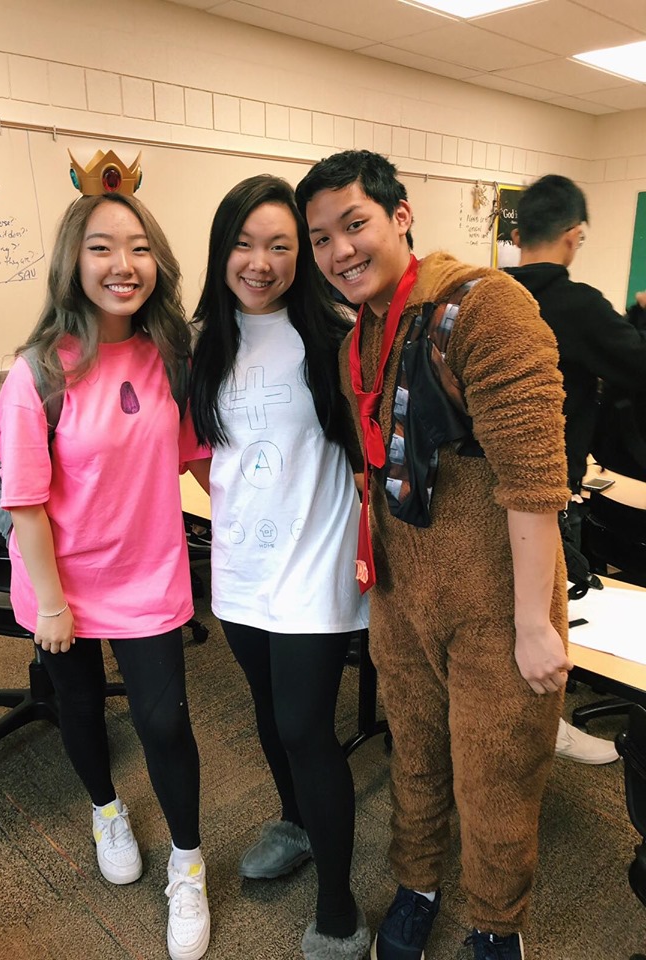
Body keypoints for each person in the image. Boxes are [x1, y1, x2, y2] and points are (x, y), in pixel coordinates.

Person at [295, 150, 571, 960]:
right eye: (320, 239)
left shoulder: (486, 308)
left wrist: (532, 624)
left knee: (497, 777)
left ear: (400, 216)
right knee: (413, 753)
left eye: (355, 224)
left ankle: (495, 922)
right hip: (404, 593)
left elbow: (534, 478)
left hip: (497, 602)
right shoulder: (365, 330)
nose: (339, 251)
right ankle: (417, 880)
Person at [0, 178, 211, 960]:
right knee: (82, 712)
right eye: (103, 248)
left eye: (140, 248)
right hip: (62, 586)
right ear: (73, 263)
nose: (125, 263)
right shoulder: (38, 373)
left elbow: (196, 459)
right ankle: (105, 809)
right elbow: (24, 503)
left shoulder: (169, 357)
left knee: (163, 722)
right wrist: (51, 604)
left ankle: (188, 865)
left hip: (149, 575)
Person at [189, 174, 370, 960]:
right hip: (239, 570)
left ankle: (340, 911)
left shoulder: (333, 332)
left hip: (315, 564)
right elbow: (211, 458)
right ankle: (293, 824)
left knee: (305, 725)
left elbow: (362, 448)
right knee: (268, 715)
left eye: (281, 246)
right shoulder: (206, 339)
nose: (259, 262)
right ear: (221, 249)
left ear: (304, 254)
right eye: (243, 243)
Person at [507, 174, 646, 765]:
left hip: (483, 488)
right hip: (546, 492)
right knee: (541, 619)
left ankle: (513, 724)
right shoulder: (581, 306)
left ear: (516, 233)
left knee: (503, 617)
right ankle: (544, 728)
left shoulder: (488, 296)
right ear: (574, 235)